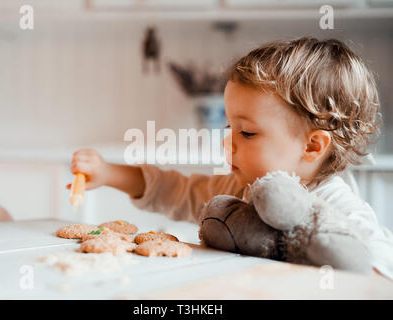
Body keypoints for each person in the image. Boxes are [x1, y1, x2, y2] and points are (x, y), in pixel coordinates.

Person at [70, 37, 393, 279]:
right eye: (230, 127)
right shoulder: (239, 189)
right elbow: (174, 191)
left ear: (312, 146)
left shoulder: (338, 210)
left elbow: (378, 270)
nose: (229, 142)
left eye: (248, 133)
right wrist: (108, 173)